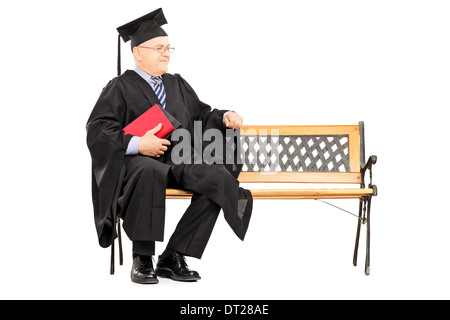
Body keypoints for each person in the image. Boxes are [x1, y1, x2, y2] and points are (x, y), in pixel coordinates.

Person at [86, 8, 253, 284]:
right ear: (138, 52)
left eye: (168, 48)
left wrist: (224, 117)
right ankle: (142, 256)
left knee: (218, 177)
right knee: (149, 170)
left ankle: (174, 254)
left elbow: (202, 115)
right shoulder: (119, 87)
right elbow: (99, 130)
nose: (166, 53)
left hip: (179, 159)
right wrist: (139, 143)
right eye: (158, 48)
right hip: (139, 162)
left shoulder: (176, 84)